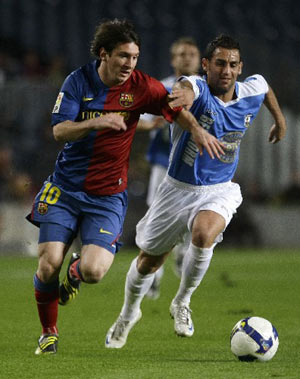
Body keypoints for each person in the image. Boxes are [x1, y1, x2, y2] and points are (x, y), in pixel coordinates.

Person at [26, 19, 223, 355]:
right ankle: (49, 333)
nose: (130, 64)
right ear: (103, 54)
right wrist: (98, 122)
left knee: (93, 271)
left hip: (107, 196)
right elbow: (59, 131)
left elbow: (172, 109)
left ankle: (76, 271)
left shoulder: (140, 86)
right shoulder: (78, 82)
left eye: (135, 57)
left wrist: (198, 131)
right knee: (47, 264)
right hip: (65, 189)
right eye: (123, 57)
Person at [105, 34, 287, 349]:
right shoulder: (196, 86)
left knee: (204, 235)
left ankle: (182, 302)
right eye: (219, 63)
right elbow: (176, 100)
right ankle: (128, 313)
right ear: (206, 65)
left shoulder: (250, 89)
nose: (226, 70)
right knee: (149, 261)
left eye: (232, 64)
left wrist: (279, 121)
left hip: (219, 190)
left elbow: (265, 86)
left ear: (240, 67)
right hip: (176, 189)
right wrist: (196, 127)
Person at [138, 37, 201, 299]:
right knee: (157, 215)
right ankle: (153, 275)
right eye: (182, 54)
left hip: (195, 163)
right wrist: (149, 124)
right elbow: (137, 118)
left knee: (195, 213)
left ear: (200, 60)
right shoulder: (161, 87)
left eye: (192, 54)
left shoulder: (205, 89)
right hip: (164, 163)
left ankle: (184, 251)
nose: (187, 58)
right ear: (173, 59)